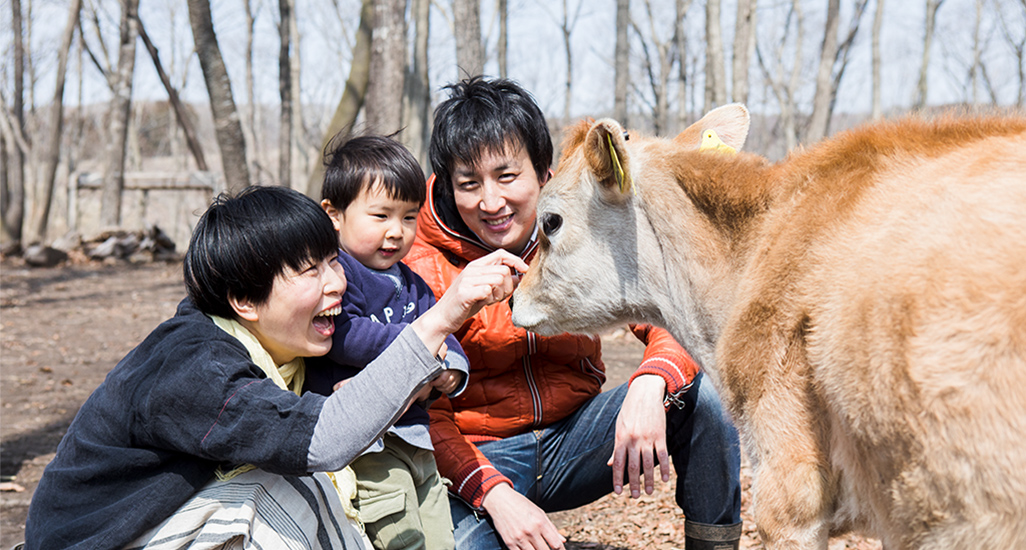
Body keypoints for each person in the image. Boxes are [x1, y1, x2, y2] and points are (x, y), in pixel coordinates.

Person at [24, 185, 527, 550]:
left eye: (334, 262)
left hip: (172, 525)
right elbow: (324, 441)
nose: (337, 285)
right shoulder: (195, 366)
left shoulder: (288, 352)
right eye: (311, 271)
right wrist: (447, 314)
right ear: (244, 299)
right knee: (281, 489)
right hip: (96, 540)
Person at [403, 76, 743, 550]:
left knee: (704, 394)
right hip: (479, 458)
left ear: (544, 173)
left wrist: (651, 381)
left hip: (576, 441)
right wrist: (495, 495)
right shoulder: (414, 264)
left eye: (506, 176)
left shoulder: (579, 226)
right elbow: (423, 416)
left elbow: (677, 314)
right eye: (468, 184)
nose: (490, 201)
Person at [305, 134, 468, 550]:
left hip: (417, 436)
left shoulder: (411, 282)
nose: (397, 232)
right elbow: (345, 336)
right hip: (369, 446)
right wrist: (416, 344)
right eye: (380, 215)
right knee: (400, 536)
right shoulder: (339, 275)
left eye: (410, 217)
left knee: (438, 533)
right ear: (334, 215)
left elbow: (444, 333)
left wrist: (450, 369)